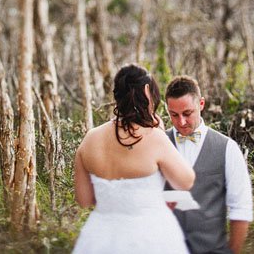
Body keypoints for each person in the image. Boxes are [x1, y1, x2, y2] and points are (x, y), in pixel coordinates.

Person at [73, 64, 196, 254]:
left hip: (99, 238)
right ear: (147, 91)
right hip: (151, 237)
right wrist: (161, 134)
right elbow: (186, 181)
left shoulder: (90, 139)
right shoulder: (154, 137)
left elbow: (84, 200)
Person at [164, 76, 253, 254]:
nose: (181, 122)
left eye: (187, 113)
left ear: (201, 104)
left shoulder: (227, 148)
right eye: (174, 115)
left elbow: (241, 208)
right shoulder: (158, 144)